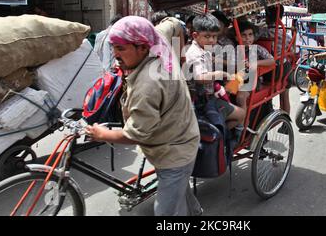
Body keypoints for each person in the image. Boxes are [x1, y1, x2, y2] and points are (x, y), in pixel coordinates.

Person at [85, 16, 202, 216]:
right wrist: (181, 57)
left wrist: (102, 134)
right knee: (179, 189)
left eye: (121, 49)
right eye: (114, 47)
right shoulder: (157, 40)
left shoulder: (147, 85)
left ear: (142, 47)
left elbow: (135, 135)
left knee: (166, 212)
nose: (115, 55)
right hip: (178, 133)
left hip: (175, 151)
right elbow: (174, 23)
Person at [185, 14, 245, 130]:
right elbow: (200, 77)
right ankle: (223, 141)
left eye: (214, 36)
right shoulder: (197, 53)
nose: (212, 40)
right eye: (207, 36)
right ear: (195, 35)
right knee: (241, 114)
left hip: (207, 95)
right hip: (202, 101)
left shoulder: (203, 48)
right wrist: (220, 74)